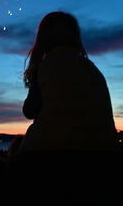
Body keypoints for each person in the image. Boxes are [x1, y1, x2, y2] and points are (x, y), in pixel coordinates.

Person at [21, 11, 117, 150]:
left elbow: (30, 111)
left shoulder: (45, 67)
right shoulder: (92, 70)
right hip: (104, 153)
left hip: (52, 151)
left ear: (43, 38)